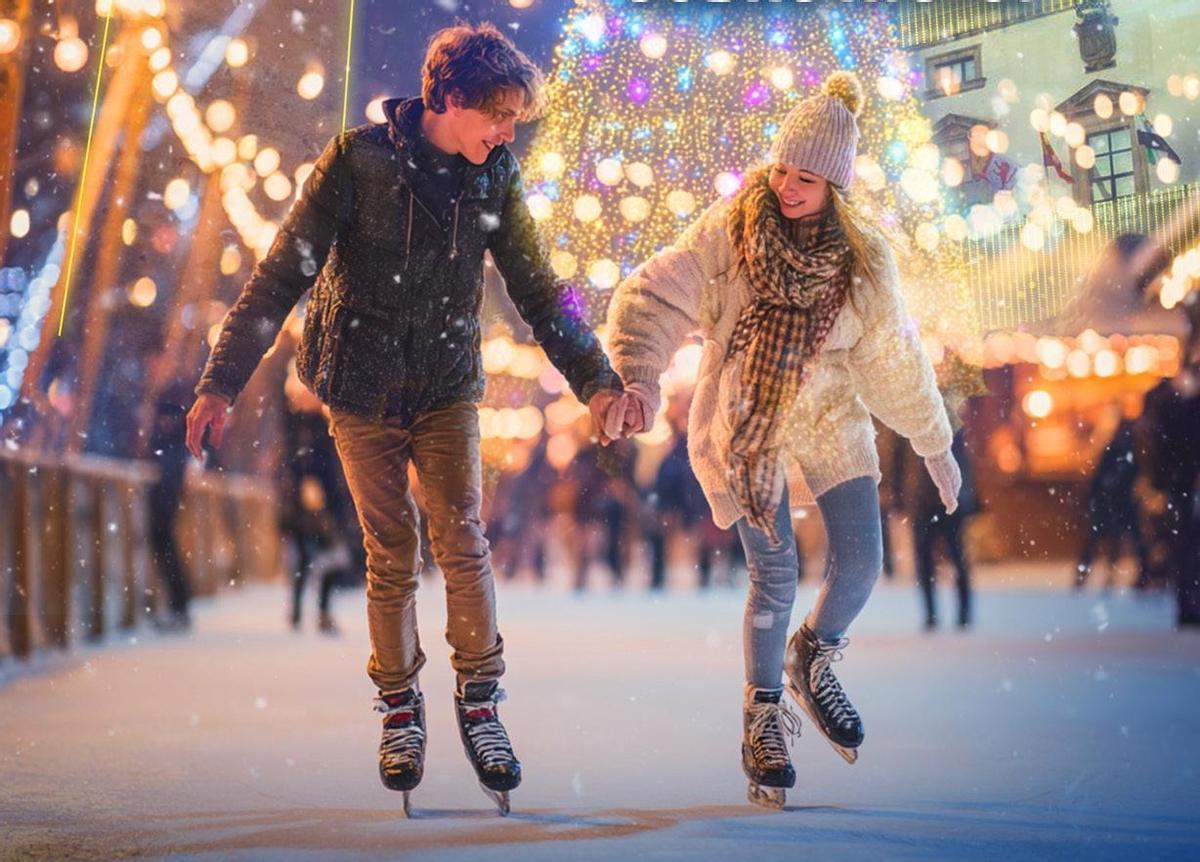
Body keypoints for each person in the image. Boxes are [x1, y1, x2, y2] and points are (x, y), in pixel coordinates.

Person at [185, 23, 623, 813]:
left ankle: (480, 701)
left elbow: (538, 289)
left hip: (447, 383)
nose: (507, 132)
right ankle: (398, 708)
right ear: (446, 99)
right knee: (391, 548)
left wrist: (596, 380)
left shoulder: (495, 178)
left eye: (515, 119)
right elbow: (282, 271)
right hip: (357, 386)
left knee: (462, 534)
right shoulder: (358, 162)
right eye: (498, 116)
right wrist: (220, 382)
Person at [603, 72, 959, 807]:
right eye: (782, 171)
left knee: (861, 564)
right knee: (777, 572)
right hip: (749, 413)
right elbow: (656, 294)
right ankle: (762, 712)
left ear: (836, 186)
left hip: (831, 414)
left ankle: (813, 656)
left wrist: (933, 440)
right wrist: (639, 373)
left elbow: (892, 355)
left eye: (808, 178)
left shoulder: (865, 263)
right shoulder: (731, 231)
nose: (790, 188)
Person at [1074, 398, 1150, 592]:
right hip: (1116, 498)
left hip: (1114, 498)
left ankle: (1091, 577)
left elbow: (1116, 470)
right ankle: (1110, 576)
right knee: (1118, 539)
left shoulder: (1117, 440)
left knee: (1105, 539)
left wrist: (1100, 489)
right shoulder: (1118, 438)